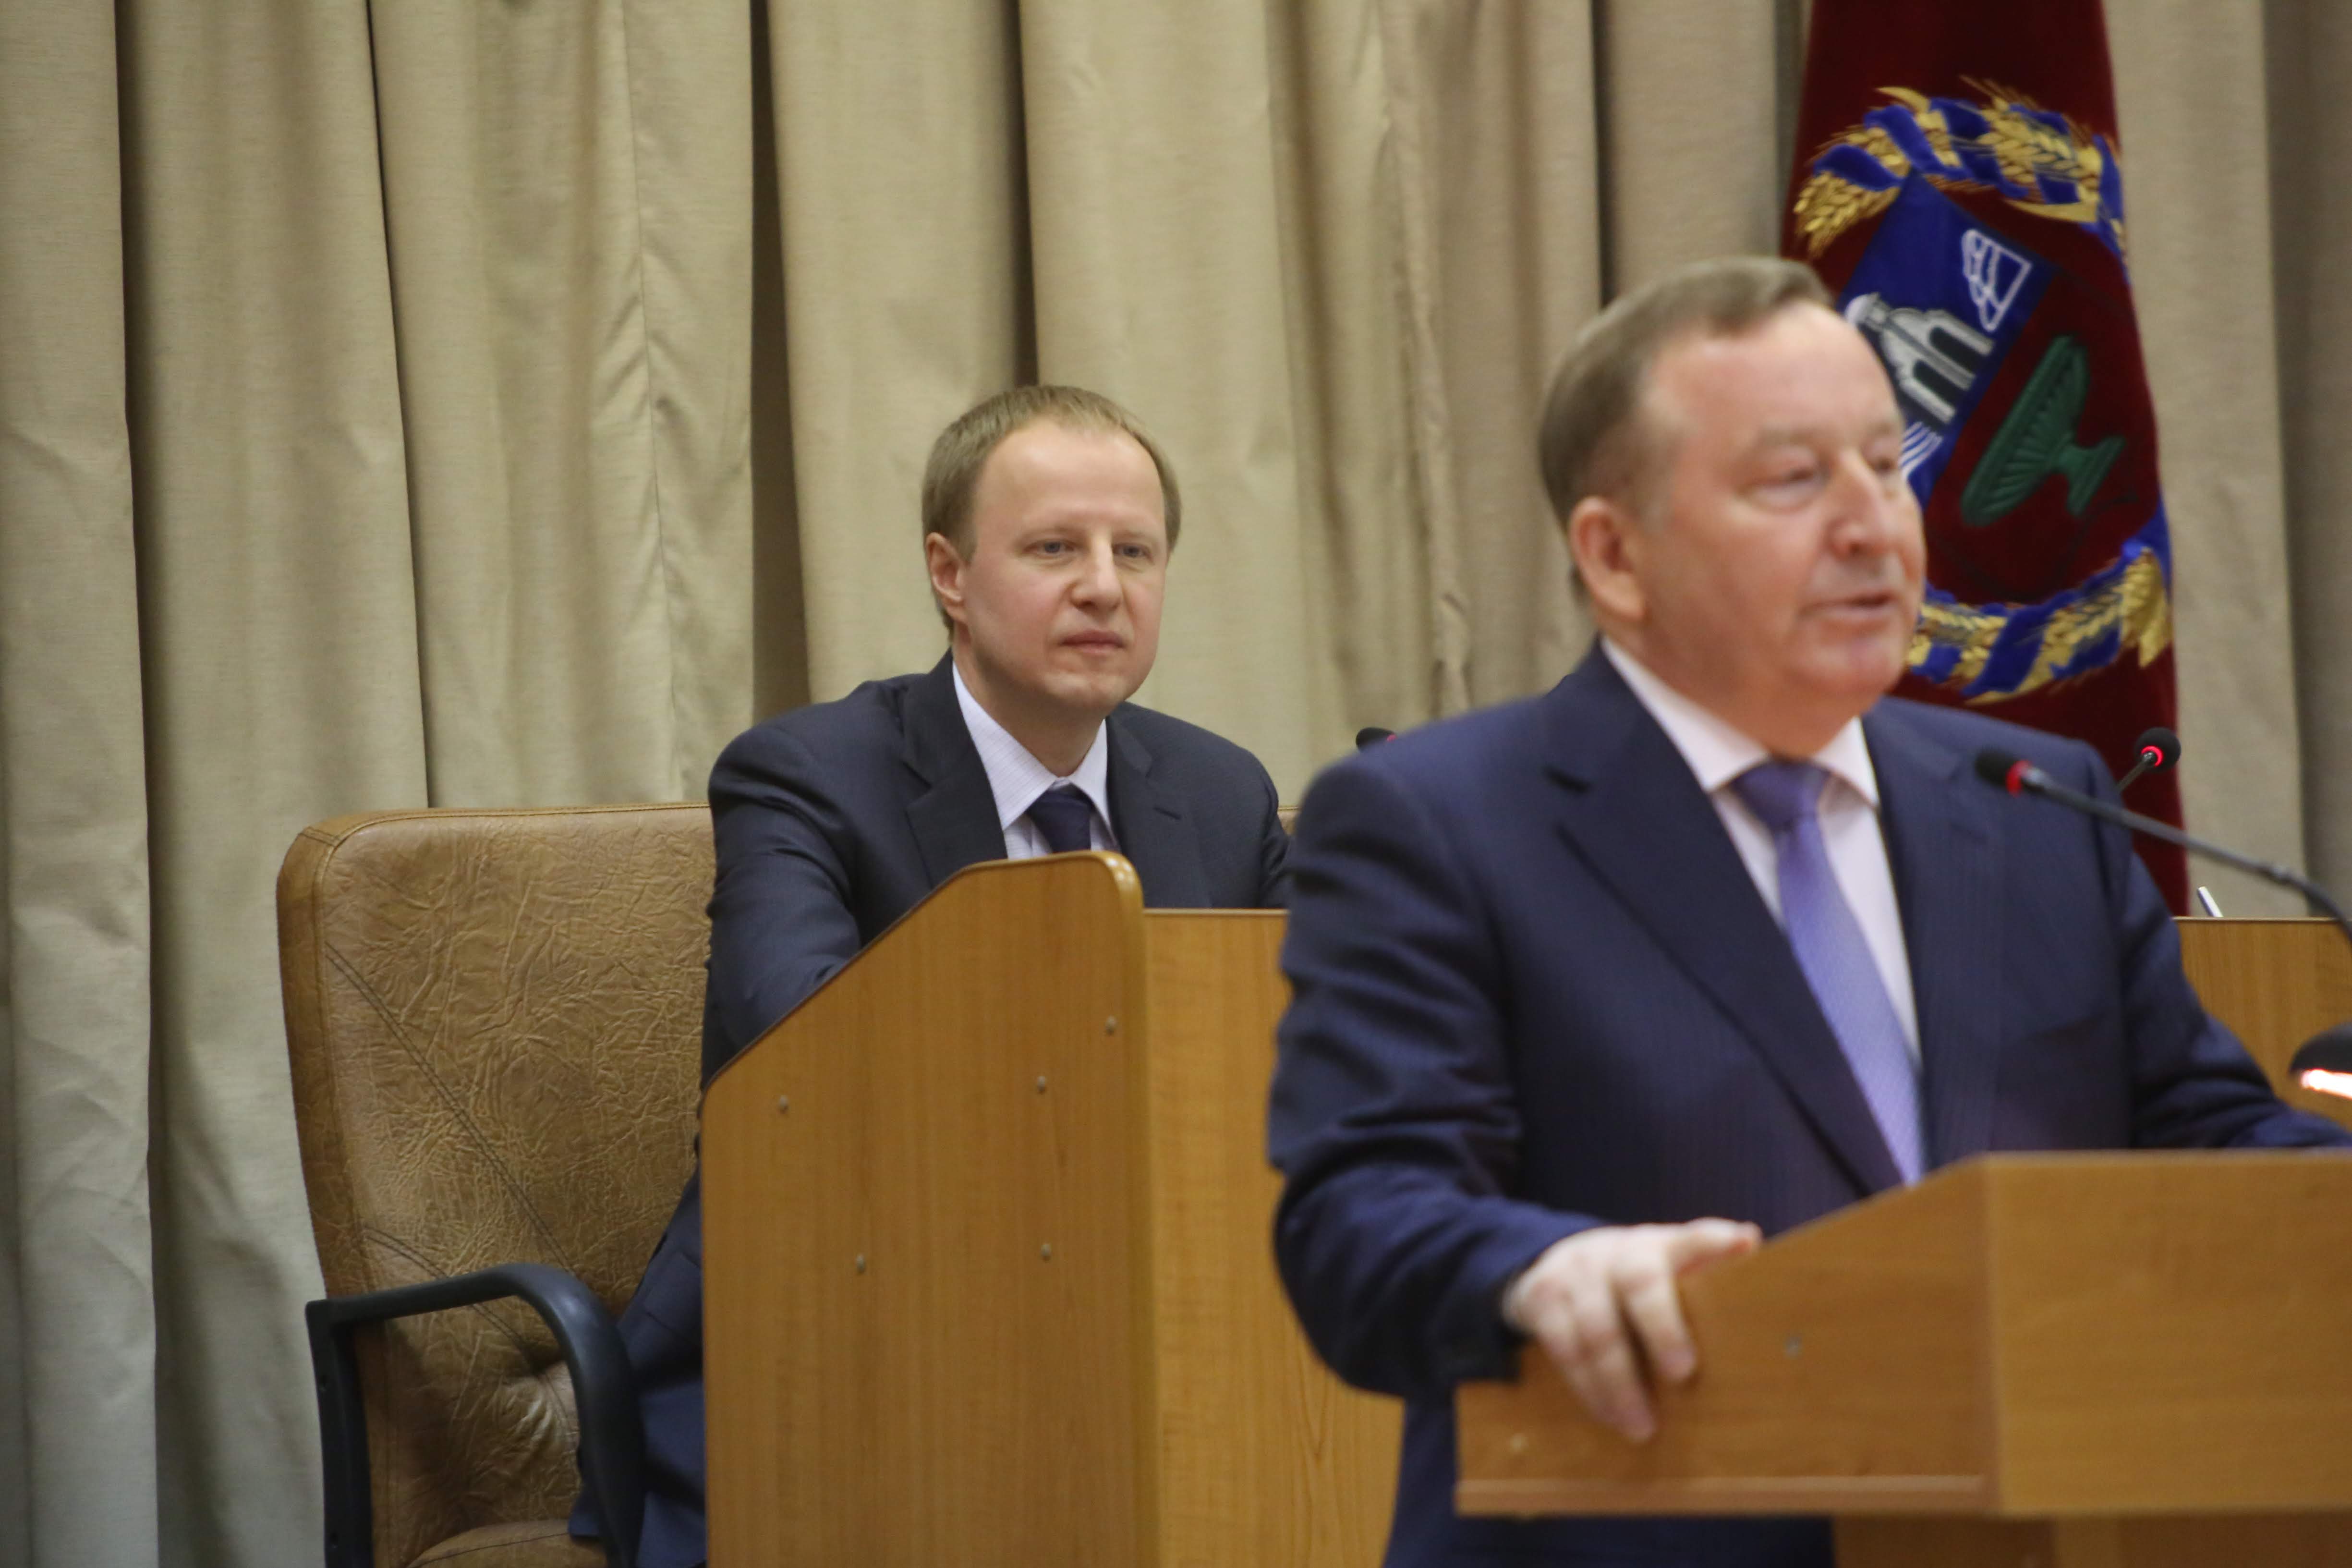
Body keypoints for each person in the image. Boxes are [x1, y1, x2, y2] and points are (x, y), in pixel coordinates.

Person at [1265, 256, 2350, 1568]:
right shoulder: (1439, 821)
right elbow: (1358, 1214)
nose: (1871, 526)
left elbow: (2206, 1139)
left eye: (1886, 466)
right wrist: (1538, 1270)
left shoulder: (2035, 803)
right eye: (1792, 480)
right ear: (1613, 556)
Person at [580, 384, 1289, 1568]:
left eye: (1135, 551)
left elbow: (1306, 1056)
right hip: (835, 1341)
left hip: (1154, 1351)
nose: (1103, 586)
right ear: (950, 575)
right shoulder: (807, 776)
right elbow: (804, 1047)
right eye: (1054, 548)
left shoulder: (1220, 793)